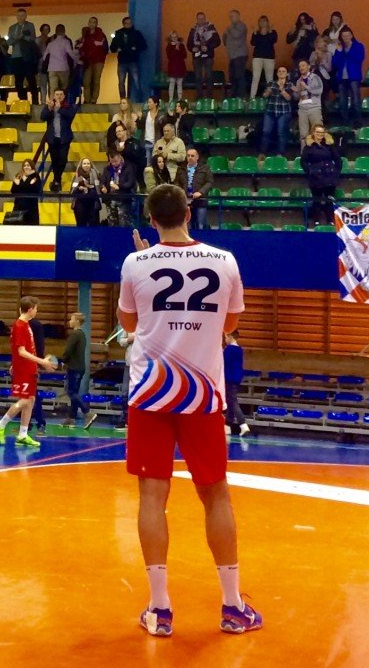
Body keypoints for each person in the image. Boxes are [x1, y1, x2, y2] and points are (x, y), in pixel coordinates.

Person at [119, 183, 261, 638]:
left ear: (151, 218)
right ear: (188, 213)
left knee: (151, 497)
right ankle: (233, 606)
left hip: (150, 393)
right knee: (215, 494)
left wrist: (145, 263)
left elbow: (128, 322)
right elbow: (230, 323)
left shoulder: (135, 263)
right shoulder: (225, 260)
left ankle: (159, 610)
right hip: (202, 394)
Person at [0, 297, 58, 447]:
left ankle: (23, 434)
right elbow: (21, 351)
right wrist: (42, 362)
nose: (37, 311)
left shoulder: (26, 325)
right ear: (31, 309)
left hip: (28, 368)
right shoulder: (19, 326)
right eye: (36, 308)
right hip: (24, 369)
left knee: (31, 400)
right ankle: (0, 424)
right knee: (25, 400)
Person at [301, 125, 343, 225]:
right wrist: (310, 171)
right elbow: (303, 162)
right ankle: (316, 220)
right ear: (313, 133)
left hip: (329, 176)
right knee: (317, 200)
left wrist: (336, 173)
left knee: (329, 199)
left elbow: (338, 160)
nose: (320, 134)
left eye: (322, 132)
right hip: (315, 177)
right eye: (318, 132)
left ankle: (330, 220)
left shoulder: (329, 145)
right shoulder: (309, 147)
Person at [330, 27, 365, 127]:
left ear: (351, 36)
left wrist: (348, 50)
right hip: (342, 78)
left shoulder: (358, 46)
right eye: (343, 36)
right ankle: (345, 123)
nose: (345, 37)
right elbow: (335, 63)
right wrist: (338, 52)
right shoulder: (340, 48)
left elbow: (359, 58)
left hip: (354, 77)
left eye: (347, 35)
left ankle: (358, 122)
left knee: (356, 101)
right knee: (342, 102)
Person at [60, 312, 90, 424]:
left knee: (71, 392)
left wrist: (63, 360)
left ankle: (87, 412)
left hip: (74, 367)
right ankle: (71, 417)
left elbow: (68, 350)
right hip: (80, 367)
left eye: (71, 319)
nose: (69, 321)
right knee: (75, 392)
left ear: (77, 321)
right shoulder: (82, 334)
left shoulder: (75, 334)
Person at [260, 66, 294, 155]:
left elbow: (289, 98)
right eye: (279, 71)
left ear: (287, 74)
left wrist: (282, 90)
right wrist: (268, 92)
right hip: (270, 111)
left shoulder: (290, 84)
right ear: (277, 73)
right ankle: (262, 153)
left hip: (284, 112)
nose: (281, 72)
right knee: (265, 131)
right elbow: (264, 96)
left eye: (283, 71)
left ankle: (280, 154)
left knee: (281, 133)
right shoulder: (271, 83)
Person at [186, 13, 220, 100]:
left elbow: (217, 42)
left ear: (205, 19)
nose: (201, 20)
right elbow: (189, 43)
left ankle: (209, 98)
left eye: (202, 18)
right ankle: (199, 98)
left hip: (208, 56)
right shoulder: (193, 30)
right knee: (198, 77)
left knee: (208, 76)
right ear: (196, 20)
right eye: (199, 19)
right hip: (197, 56)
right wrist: (192, 49)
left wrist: (208, 47)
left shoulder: (211, 29)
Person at [101, 151, 136, 227]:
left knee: (123, 223)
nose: (114, 163)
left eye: (116, 161)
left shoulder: (128, 167)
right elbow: (102, 181)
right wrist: (103, 187)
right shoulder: (107, 168)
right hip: (110, 200)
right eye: (112, 161)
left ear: (120, 158)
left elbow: (130, 183)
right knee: (112, 224)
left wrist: (119, 186)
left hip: (123, 199)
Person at [223, 333, 248, 435]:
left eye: (225, 337)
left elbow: (223, 363)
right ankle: (227, 426)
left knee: (233, 402)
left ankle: (243, 424)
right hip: (237, 378)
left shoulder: (228, 349)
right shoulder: (239, 349)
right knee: (230, 401)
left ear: (230, 337)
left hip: (229, 378)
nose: (225, 339)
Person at [293, 58, 324, 140]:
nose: (301, 68)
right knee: (303, 135)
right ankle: (304, 148)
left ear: (309, 66)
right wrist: (297, 92)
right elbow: (296, 97)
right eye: (300, 66)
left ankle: (318, 148)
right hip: (302, 109)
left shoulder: (315, 77)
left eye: (303, 65)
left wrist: (306, 87)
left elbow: (319, 90)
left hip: (314, 108)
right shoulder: (298, 81)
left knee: (318, 133)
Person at [247, 16, 277, 99]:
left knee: (269, 78)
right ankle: (252, 97)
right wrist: (255, 33)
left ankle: (270, 97)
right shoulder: (256, 32)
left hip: (269, 57)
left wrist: (270, 32)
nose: (262, 23)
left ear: (267, 22)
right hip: (257, 57)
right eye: (260, 21)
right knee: (255, 77)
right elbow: (253, 43)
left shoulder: (273, 32)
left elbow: (273, 40)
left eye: (264, 21)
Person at [81, 17, 109, 104]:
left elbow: (106, 48)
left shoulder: (101, 34)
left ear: (96, 24)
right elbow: (83, 47)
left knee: (96, 80)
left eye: (94, 22)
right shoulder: (86, 35)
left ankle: (94, 99)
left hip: (98, 60)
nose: (92, 24)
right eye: (90, 22)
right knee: (86, 81)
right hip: (88, 61)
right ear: (88, 23)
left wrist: (100, 46)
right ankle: (87, 99)